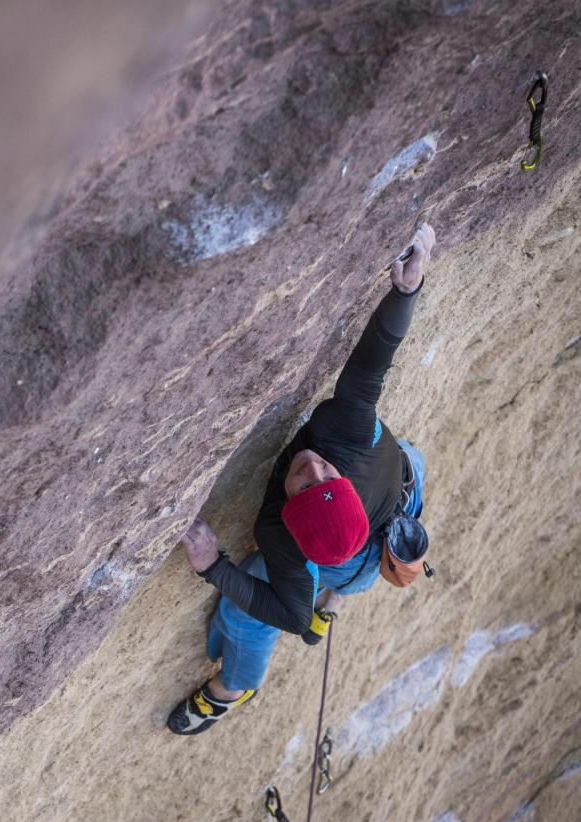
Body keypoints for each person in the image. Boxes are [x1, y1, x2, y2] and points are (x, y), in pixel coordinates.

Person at [167, 224, 436, 735]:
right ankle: (331, 604)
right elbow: (371, 363)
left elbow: (288, 615)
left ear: (291, 522)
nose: (311, 464)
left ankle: (233, 688)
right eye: (324, 475)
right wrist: (407, 291)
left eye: (307, 485)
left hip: (358, 554)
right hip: (401, 488)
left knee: (246, 615)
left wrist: (214, 567)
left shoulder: (281, 539)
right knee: (410, 460)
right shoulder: (348, 435)